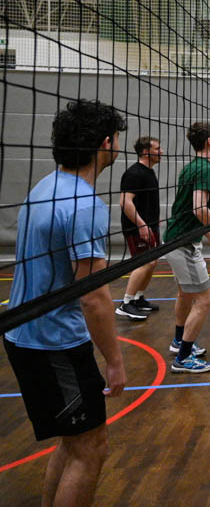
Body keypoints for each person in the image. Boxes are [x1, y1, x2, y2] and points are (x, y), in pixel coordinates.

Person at [3, 99, 127, 507]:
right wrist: (114, 360)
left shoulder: (45, 186)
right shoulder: (85, 204)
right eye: (116, 139)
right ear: (105, 143)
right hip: (54, 344)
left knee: (74, 442)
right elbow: (93, 296)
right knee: (91, 448)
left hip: (23, 335)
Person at [162, 122, 210, 373]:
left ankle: (179, 341)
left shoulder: (192, 167)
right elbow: (199, 209)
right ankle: (183, 359)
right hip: (183, 244)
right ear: (209, 141)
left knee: (186, 293)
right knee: (205, 300)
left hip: (176, 238)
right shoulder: (205, 169)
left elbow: (190, 211)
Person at [116, 136, 164, 320]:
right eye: (157, 149)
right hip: (137, 228)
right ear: (145, 152)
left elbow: (145, 200)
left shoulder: (148, 172)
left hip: (149, 225)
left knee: (152, 262)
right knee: (144, 262)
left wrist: (153, 218)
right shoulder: (134, 174)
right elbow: (125, 202)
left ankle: (138, 298)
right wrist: (141, 224)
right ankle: (126, 303)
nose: (161, 152)